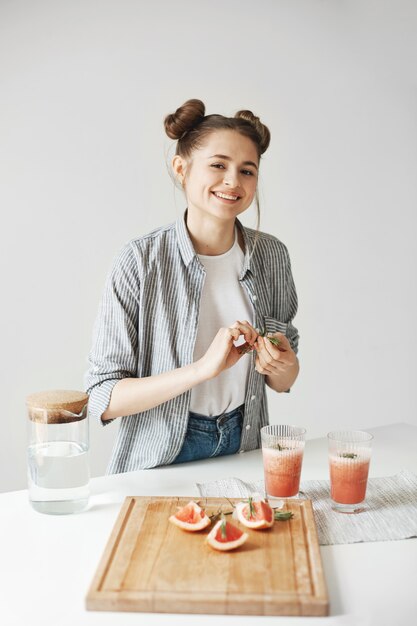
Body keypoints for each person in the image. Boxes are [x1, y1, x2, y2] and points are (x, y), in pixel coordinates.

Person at [84, 98, 299, 474]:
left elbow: (283, 381)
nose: (233, 181)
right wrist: (202, 369)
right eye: (218, 165)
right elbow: (102, 396)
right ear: (181, 168)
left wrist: (282, 364)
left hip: (245, 443)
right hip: (160, 455)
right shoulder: (139, 261)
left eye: (247, 171)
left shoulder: (273, 256)